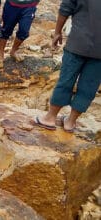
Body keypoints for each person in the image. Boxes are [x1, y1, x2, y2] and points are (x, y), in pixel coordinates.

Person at [35, 0, 101, 132]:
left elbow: (65, 8)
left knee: (66, 80)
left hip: (77, 43)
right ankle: (70, 122)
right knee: (89, 87)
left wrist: (57, 32)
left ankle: (50, 118)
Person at [0, 0, 39, 68]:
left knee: (24, 31)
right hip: (11, 5)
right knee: (6, 29)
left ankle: (13, 51)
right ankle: (0, 54)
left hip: (30, 6)